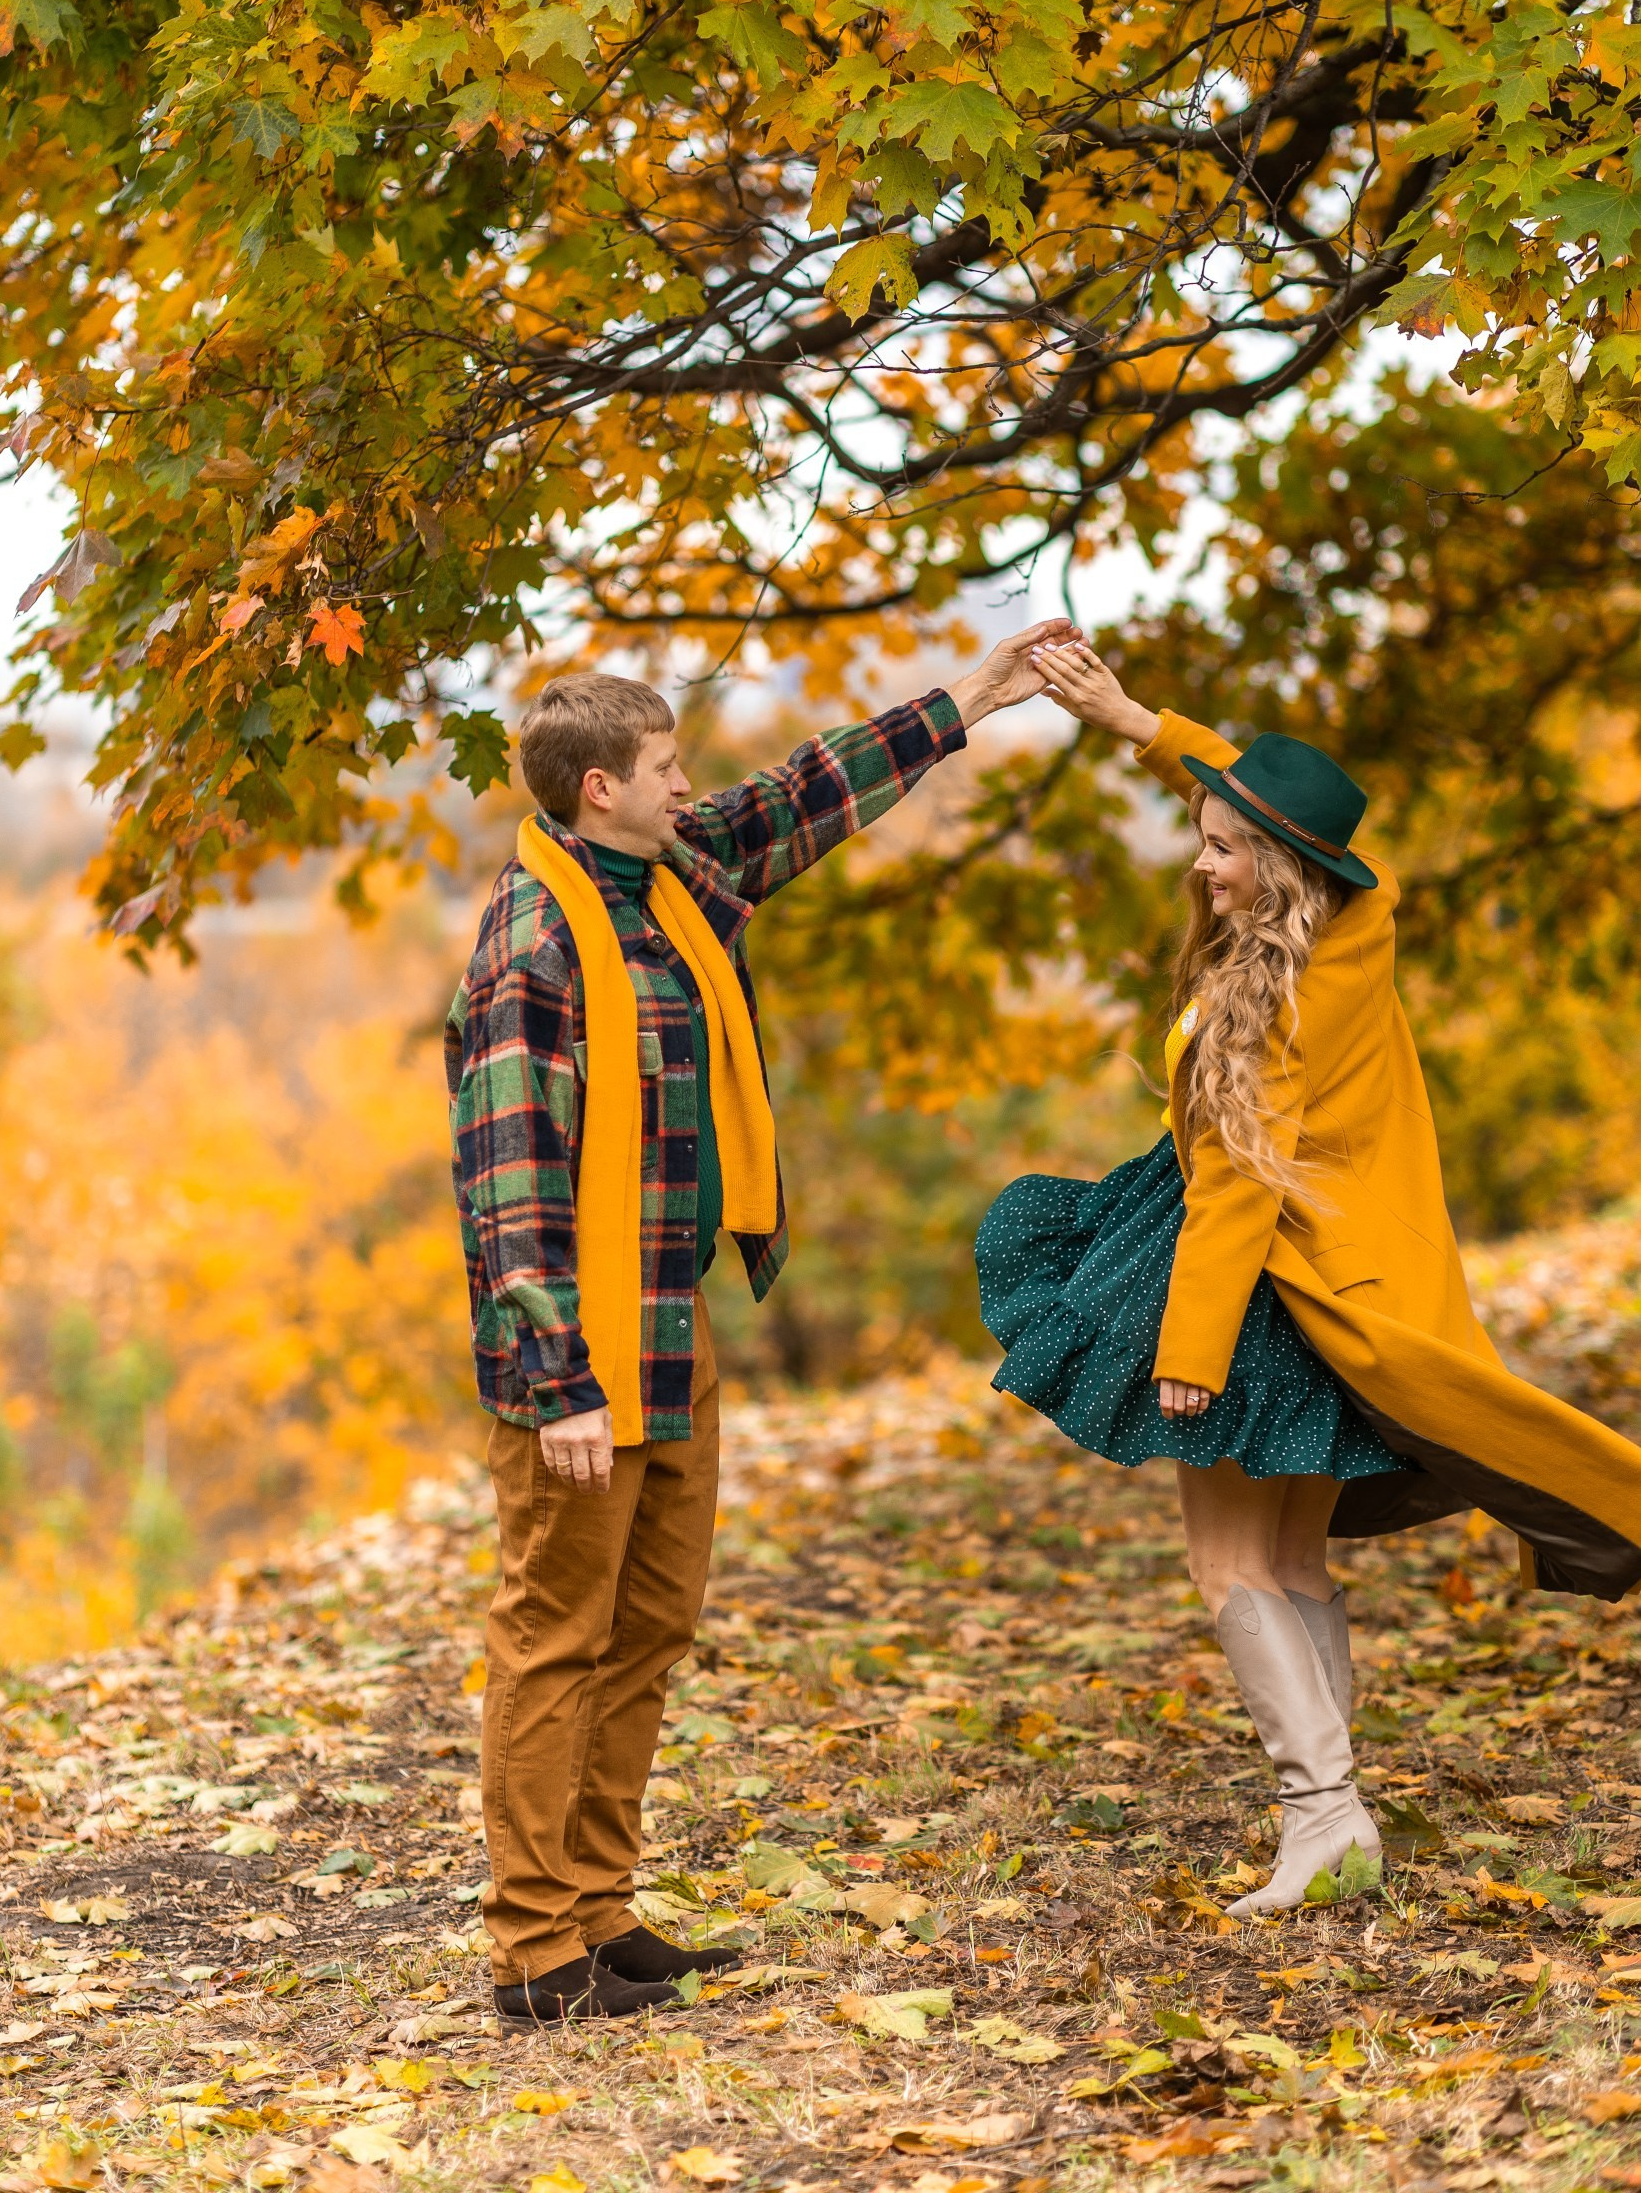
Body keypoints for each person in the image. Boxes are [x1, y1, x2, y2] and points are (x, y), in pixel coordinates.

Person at [447, 623, 1070, 2022]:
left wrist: (972, 693)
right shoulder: (532, 941)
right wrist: (560, 1384)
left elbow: (801, 792)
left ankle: (600, 1913)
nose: (689, 785)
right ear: (597, 787)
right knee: (556, 1636)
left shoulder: (671, 880)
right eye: (665, 766)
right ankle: (534, 1947)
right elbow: (507, 1181)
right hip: (581, 1355)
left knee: (652, 1628)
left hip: (676, 1321)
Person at [977, 636, 1641, 1918]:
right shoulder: (1352, 930)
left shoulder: (1268, 1004)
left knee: (1233, 1573)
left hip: (1253, 1287)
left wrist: (1188, 1349)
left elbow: (1235, 1183)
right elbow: (1285, 801)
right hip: (1311, 1293)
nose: (1200, 860)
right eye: (1201, 833)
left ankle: (1324, 1818)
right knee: (1292, 1570)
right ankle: (1335, 1817)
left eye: (1224, 846)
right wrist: (1136, 720)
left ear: (1276, 863)